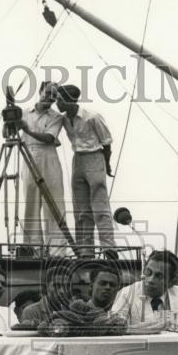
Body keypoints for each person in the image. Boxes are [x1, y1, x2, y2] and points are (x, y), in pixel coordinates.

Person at [56, 84, 115, 255]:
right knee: (81, 209)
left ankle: (109, 248)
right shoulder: (64, 119)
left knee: (100, 206)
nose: (57, 104)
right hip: (78, 159)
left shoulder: (92, 117)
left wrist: (107, 164)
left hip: (95, 157)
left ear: (70, 101)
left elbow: (107, 142)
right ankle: (86, 250)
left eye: (60, 100)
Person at [19, 81, 68, 255]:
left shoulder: (56, 117)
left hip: (49, 156)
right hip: (29, 155)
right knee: (31, 203)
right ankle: (32, 249)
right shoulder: (24, 113)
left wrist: (27, 130)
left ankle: (57, 250)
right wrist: (9, 122)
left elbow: (49, 137)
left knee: (54, 202)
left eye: (54, 95)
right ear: (40, 91)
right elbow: (7, 134)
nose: (50, 98)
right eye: (47, 93)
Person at [111, 250, 178, 334]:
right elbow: (115, 328)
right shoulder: (127, 293)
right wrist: (150, 329)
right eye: (148, 272)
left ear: (171, 282)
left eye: (159, 276)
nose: (150, 280)